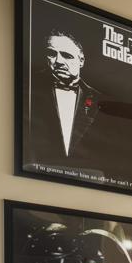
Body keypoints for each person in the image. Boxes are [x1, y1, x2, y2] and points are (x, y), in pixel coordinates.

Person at [26, 30, 102, 168]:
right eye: (52, 54)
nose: (59, 61)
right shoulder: (28, 88)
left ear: (81, 61)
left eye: (67, 56)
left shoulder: (98, 99)